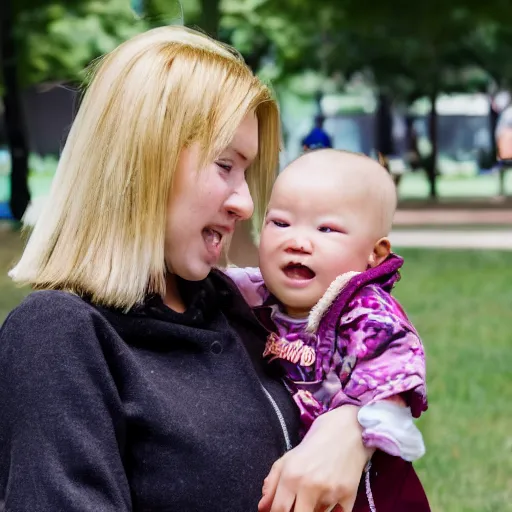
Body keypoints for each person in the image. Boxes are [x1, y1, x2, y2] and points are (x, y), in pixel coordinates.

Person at [0, 27, 373, 512]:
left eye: (247, 172)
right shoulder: (58, 335)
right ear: (143, 159)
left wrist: (350, 428)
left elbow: (379, 351)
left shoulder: (237, 304)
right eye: (224, 165)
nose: (244, 202)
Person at [226, 149, 431, 511]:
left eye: (326, 229)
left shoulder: (364, 313)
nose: (298, 241)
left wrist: (366, 421)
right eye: (280, 223)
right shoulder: (251, 293)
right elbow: (216, 284)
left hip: (362, 486)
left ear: (376, 253)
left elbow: (393, 374)